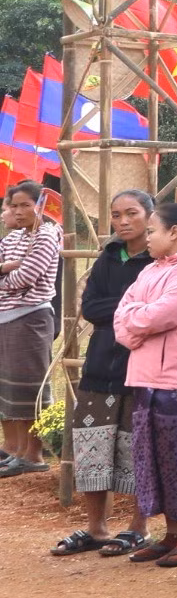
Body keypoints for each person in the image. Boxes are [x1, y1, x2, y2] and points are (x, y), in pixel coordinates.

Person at [113, 203, 177, 568]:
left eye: (153, 230)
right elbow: (122, 313)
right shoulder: (150, 271)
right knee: (151, 459)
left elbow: (159, 314)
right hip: (144, 376)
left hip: (176, 380)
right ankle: (170, 534)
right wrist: (135, 320)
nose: (147, 237)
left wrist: (134, 320)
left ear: (174, 233)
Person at [49, 190, 154, 556]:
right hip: (98, 366)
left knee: (138, 448)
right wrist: (131, 305)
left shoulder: (158, 261)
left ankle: (138, 527)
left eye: (131, 213)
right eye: (115, 215)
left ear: (149, 216)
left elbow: (156, 309)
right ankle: (96, 528)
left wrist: (126, 308)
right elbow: (90, 308)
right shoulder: (108, 256)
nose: (123, 221)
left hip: (140, 367)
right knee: (92, 446)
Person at [0, 180, 61, 477]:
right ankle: (19, 451)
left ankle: (34, 454)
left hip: (31, 319)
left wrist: (6, 274)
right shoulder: (14, 238)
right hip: (8, 320)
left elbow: (27, 276)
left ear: (40, 206)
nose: (18, 211)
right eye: (14, 206)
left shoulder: (47, 236)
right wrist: (5, 269)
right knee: (12, 388)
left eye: (26, 205)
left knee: (31, 389)